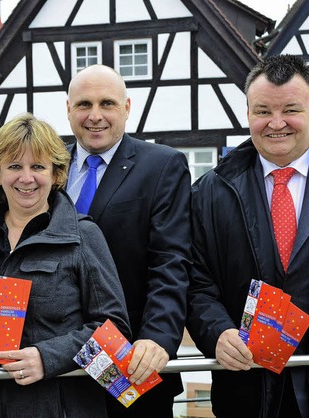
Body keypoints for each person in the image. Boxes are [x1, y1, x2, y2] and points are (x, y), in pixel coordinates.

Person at [186, 54, 309, 417]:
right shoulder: (208, 191)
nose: (276, 123)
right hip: (250, 390)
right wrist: (217, 331)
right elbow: (194, 280)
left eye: (290, 109)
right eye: (263, 110)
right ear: (248, 114)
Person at [0, 113, 131, 417]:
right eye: (14, 166)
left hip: (61, 405)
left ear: (56, 174)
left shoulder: (83, 236)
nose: (26, 178)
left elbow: (114, 329)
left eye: (38, 167)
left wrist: (48, 357)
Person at [65, 64, 192, 417]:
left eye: (107, 103)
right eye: (83, 104)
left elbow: (171, 260)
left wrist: (157, 336)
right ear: (68, 109)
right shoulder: (47, 164)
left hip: (133, 360)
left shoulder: (162, 165)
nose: (95, 116)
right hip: (58, 364)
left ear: (126, 108)